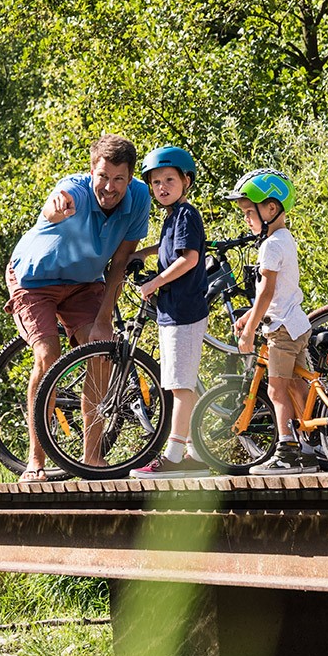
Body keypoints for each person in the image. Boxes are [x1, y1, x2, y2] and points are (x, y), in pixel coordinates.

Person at [5, 134, 152, 483]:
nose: (109, 186)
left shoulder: (139, 199)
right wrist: (53, 208)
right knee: (48, 356)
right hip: (34, 279)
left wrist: (103, 320)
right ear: (91, 172)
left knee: (101, 352)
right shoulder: (76, 190)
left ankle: (91, 459)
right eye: (102, 176)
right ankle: (35, 462)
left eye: (119, 179)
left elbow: (118, 263)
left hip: (85, 283)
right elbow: (57, 201)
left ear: (130, 178)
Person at [227, 167, 319, 475]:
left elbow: (266, 292)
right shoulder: (284, 238)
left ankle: (286, 451)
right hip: (296, 324)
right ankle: (310, 447)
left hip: (281, 329)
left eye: (249, 212)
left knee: (276, 389)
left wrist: (250, 330)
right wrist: (250, 316)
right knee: (295, 384)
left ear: (271, 207)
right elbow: (276, 294)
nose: (247, 220)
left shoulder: (270, 245)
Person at [129, 146, 208, 478]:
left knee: (181, 386)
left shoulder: (187, 215)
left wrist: (153, 283)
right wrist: (141, 254)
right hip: (173, 312)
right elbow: (166, 249)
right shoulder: (172, 217)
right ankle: (192, 455)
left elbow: (188, 258)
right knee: (179, 382)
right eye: (156, 182)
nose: (162, 187)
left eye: (169, 180)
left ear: (186, 181)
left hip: (184, 312)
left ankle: (174, 456)